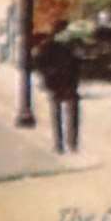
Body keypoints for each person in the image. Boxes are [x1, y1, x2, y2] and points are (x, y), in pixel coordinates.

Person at [34, 21, 81, 155]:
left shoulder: (70, 46)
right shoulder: (50, 46)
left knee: (65, 113)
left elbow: (77, 63)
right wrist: (49, 74)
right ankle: (64, 144)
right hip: (58, 82)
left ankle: (67, 144)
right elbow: (39, 62)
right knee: (62, 113)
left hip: (65, 83)